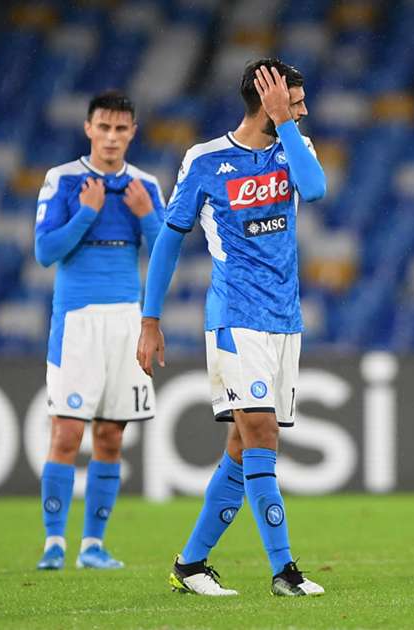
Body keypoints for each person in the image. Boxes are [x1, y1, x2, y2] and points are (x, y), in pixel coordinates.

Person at [137, 59, 327, 597]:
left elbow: (314, 190)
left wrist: (285, 125)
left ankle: (190, 564)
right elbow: (169, 240)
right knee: (262, 434)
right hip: (235, 318)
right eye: (295, 101)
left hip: (284, 321)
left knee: (243, 447)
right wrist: (150, 320)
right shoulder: (205, 160)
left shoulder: (295, 149)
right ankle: (284, 572)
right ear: (267, 102)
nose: (303, 110)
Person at [33, 90, 164, 571]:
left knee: (110, 436)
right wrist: (86, 212)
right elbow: (45, 252)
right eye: (103, 127)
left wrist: (147, 216)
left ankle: (93, 545)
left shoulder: (146, 185)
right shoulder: (64, 179)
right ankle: (54, 543)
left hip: (126, 321)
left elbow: (165, 254)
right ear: (88, 128)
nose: (111, 137)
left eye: (120, 128)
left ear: (133, 133)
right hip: (76, 321)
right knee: (67, 433)